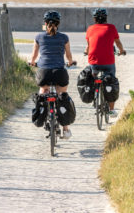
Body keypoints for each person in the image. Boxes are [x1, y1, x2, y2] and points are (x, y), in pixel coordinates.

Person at [29, 10, 76, 139]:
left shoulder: (39, 37)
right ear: (58, 23)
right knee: (62, 96)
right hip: (60, 72)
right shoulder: (64, 37)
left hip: (44, 72)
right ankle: (66, 129)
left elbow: (34, 56)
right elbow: (68, 55)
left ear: (45, 23)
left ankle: (42, 114)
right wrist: (70, 62)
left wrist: (32, 62)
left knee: (43, 91)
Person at [85, 8, 126, 115]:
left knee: (93, 78)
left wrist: (86, 51)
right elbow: (118, 43)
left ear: (94, 19)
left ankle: (95, 96)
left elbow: (89, 45)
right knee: (111, 82)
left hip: (94, 62)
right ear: (106, 18)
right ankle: (111, 110)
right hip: (108, 62)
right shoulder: (111, 28)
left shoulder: (90, 29)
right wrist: (122, 51)